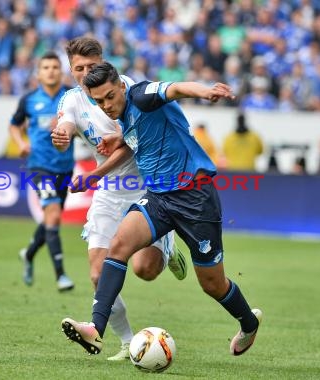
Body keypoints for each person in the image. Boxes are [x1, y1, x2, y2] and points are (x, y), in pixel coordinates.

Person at [60, 62, 262, 357]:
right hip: (158, 198)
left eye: (108, 97)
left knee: (212, 284)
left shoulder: (142, 95)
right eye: (98, 101)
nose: (105, 106)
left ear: (120, 86)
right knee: (118, 245)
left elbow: (176, 88)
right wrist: (118, 140)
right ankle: (96, 328)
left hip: (195, 197)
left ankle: (248, 322)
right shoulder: (122, 115)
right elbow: (139, 138)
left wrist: (205, 92)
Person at [51, 37, 188, 361]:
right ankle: (127, 342)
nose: (85, 74)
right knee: (98, 274)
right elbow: (65, 128)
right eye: (78, 69)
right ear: (71, 71)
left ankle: (167, 247)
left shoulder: (124, 88)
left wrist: (94, 175)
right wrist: (61, 137)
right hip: (110, 193)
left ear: (103, 63)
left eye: (91, 66)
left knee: (145, 269)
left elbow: (132, 142)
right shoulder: (71, 100)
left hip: (146, 186)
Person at [9, 51, 75, 292]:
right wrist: (21, 143)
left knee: (51, 218)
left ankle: (28, 253)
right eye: (45, 67)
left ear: (61, 71)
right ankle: (61, 276)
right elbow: (14, 125)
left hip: (65, 167)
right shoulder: (29, 100)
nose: (51, 71)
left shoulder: (70, 98)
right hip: (38, 166)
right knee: (54, 214)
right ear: (38, 73)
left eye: (55, 67)